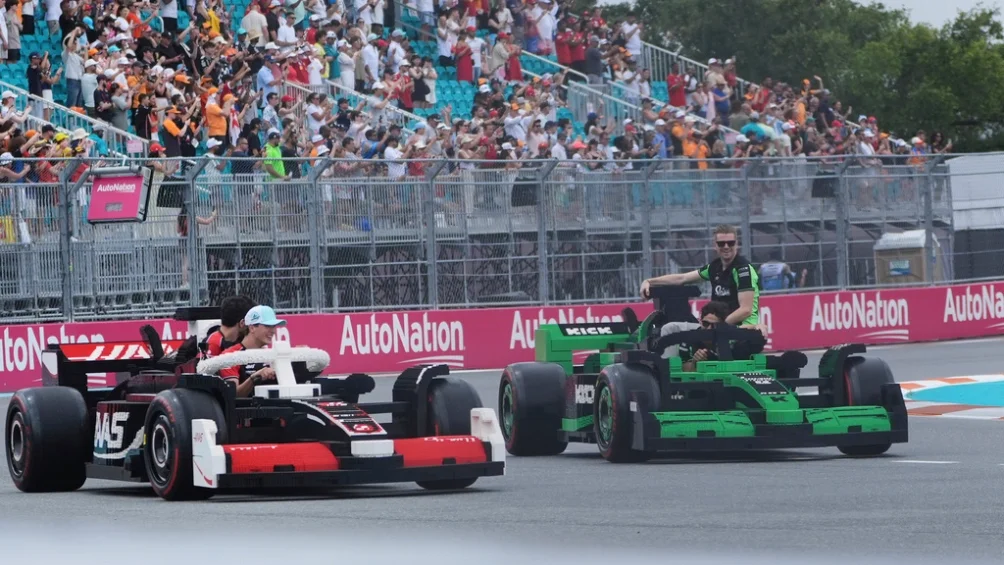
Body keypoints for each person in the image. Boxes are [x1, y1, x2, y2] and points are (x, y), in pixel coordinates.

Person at [640, 224, 761, 326]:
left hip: (741, 329)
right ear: (715, 245)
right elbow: (682, 278)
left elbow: (746, 310)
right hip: (718, 328)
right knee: (670, 328)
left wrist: (716, 326)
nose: (726, 247)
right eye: (721, 243)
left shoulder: (743, 270)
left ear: (737, 244)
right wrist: (649, 281)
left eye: (730, 243)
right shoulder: (714, 267)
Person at [217, 305, 285, 397]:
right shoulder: (230, 356)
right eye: (268, 326)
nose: (273, 331)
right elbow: (233, 396)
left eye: (274, 326)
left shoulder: (272, 355)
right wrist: (255, 378)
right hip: (246, 406)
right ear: (252, 328)